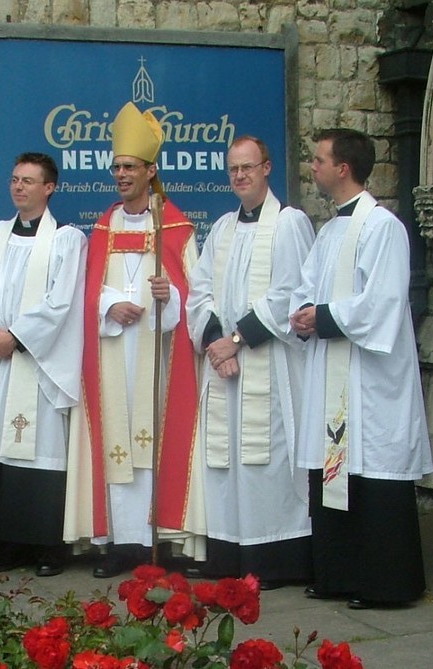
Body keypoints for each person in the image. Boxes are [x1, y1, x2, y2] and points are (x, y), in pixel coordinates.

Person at [289, 128, 433, 609]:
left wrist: (325, 316)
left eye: (319, 159)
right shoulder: (330, 231)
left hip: (369, 383)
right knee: (334, 470)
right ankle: (339, 574)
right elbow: (306, 286)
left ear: (342, 168)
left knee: (371, 472)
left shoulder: (382, 227)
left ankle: (386, 584)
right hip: (334, 369)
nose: (313, 167)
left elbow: (385, 303)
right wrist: (304, 312)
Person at [64, 102, 205, 578]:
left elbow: (196, 293)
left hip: (156, 356)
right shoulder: (102, 228)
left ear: (151, 171)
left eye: (129, 167)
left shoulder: (177, 226)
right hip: (111, 354)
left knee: (154, 440)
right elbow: (85, 293)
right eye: (117, 167)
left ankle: (157, 541)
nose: (121, 175)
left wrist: (173, 298)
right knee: (116, 445)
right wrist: (107, 306)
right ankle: (121, 545)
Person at [186, 136, 315, 587]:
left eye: (248, 167)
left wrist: (237, 339)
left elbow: (291, 292)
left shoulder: (290, 223)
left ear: (267, 167)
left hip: (269, 366)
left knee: (270, 458)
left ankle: (277, 558)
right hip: (224, 367)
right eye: (233, 169)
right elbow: (198, 292)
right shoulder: (221, 228)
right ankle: (229, 552)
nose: (240, 176)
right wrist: (214, 344)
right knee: (226, 461)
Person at [0, 152, 86, 577]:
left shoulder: (67, 240)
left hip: (37, 365)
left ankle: (48, 546)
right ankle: (8, 543)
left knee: (40, 451)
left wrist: (15, 337)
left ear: (49, 188)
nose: (18, 187)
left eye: (28, 181)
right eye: (15, 179)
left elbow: (61, 303)